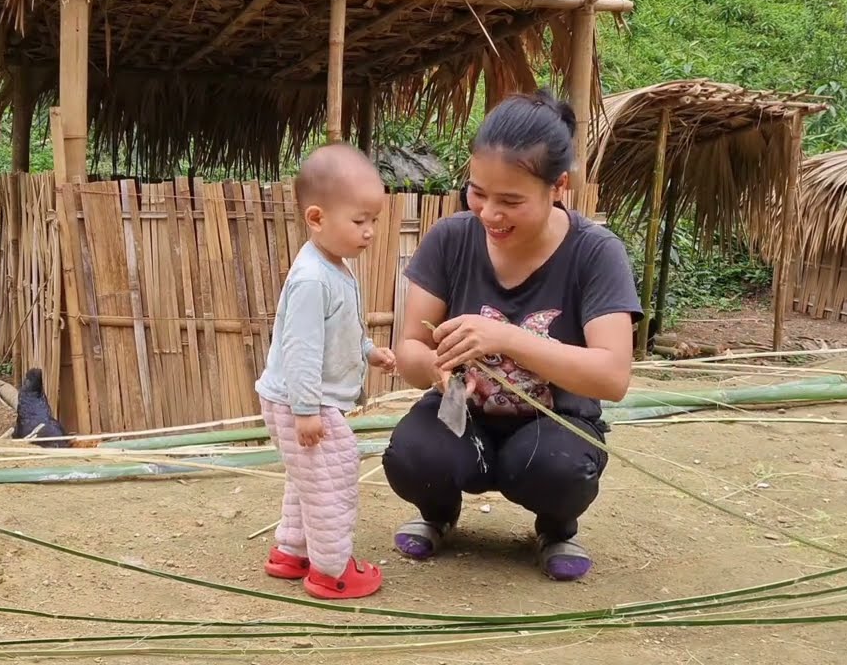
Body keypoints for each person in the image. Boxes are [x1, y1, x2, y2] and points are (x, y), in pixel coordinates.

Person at [382, 88, 642, 582]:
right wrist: (434, 367)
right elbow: (411, 350)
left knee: (559, 467)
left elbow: (612, 376)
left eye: (510, 200)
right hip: (465, 414)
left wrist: (504, 338)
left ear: (559, 186)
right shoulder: (451, 239)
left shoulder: (596, 252)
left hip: (552, 424)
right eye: (477, 192)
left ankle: (556, 526)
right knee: (413, 454)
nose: (488, 213)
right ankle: (438, 513)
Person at [254, 142, 398, 600]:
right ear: (316, 218)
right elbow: (300, 348)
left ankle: (291, 552)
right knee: (333, 483)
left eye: (373, 220)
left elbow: (339, 331)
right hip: (303, 402)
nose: (370, 231)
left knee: (308, 479)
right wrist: (306, 410)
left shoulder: (334, 267)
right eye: (360, 221)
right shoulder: (313, 279)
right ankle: (332, 570)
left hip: (303, 401)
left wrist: (368, 350)